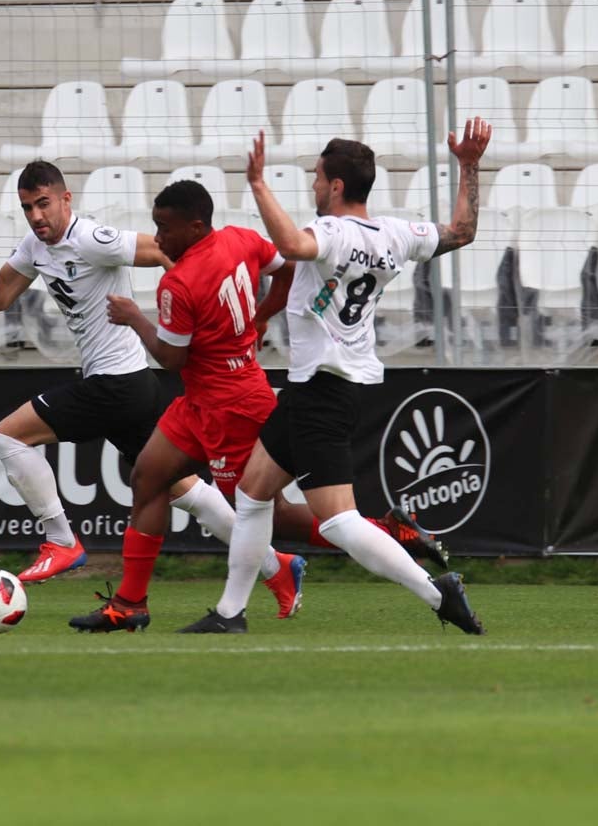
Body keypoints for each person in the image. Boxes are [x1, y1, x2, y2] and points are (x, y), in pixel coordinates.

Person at [0, 161, 304, 615]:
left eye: (44, 204)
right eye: (28, 207)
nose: (36, 215)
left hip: (117, 384)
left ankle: (60, 540)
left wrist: (201, 300)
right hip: (131, 387)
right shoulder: (35, 246)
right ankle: (278, 567)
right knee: (182, 489)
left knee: (8, 435)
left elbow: (166, 250)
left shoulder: (92, 238)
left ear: (66, 199)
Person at [178, 119, 493, 635]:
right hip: (330, 385)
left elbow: (294, 245)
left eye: (318, 177)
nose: (313, 185)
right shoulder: (395, 232)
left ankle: (439, 593)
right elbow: (463, 232)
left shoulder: (331, 232)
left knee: (339, 521)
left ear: (337, 186)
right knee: (253, 494)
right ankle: (230, 614)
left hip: (323, 389)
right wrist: (469, 165)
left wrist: (258, 184)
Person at [67, 179, 300, 633]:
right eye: (156, 227)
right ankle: (130, 604)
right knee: (148, 477)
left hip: (231, 405)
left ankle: (379, 535)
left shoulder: (179, 282)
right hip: (200, 401)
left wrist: (135, 319)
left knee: (276, 513)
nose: (158, 239)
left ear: (195, 227)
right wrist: (263, 314)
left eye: (165, 229)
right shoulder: (241, 238)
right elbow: (287, 270)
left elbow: (172, 358)